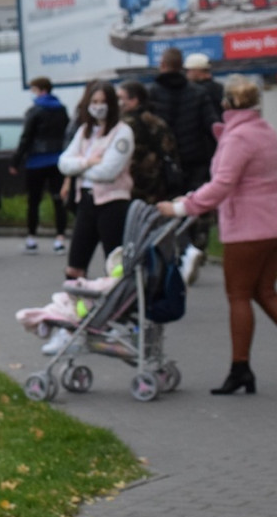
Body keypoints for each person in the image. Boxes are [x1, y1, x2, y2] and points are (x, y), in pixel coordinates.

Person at [157, 76, 277, 396]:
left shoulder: (238, 138)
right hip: (271, 224)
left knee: (238, 295)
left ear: (227, 103)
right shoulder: (266, 131)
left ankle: (240, 367)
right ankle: (241, 369)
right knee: (265, 292)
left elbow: (222, 184)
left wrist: (182, 207)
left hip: (246, 228)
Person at [51, 82, 135, 355]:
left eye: (103, 101)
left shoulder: (122, 133)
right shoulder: (85, 131)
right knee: (74, 269)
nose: (98, 106)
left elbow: (109, 171)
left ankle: (120, 322)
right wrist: (88, 162)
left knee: (116, 269)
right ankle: (70, 326)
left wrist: (79, 167)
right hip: (86, 202)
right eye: (94, 101)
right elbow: (63, 163)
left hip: (113, 204)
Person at [148, 47, 220, 262]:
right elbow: (212, 125)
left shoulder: (153, 93)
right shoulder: (198, 93)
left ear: (163, 65)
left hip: (164, 163)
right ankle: (195, 247)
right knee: (194, 204)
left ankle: (170, 252)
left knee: (166, 207)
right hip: (195, 159)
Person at [9, 76, 69, 255]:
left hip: (36, 161)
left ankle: (32, 239)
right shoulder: (62, 110)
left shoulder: (35, 111)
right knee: (58, 200)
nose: (32, 93)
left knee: (34, 201)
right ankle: (60, 239)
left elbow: (26, 137)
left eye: (34, 90)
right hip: (57, 160)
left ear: (42, 90)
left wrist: (16, 161)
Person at [117, 80, 180, 204]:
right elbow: (170, 150)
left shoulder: (124, 125)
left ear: (134, 100)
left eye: (120, 98)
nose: (118, 102)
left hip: (131, 183)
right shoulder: (155, 121)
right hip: (154, 182)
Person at [183, 52, 224, 118]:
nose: (187, 73)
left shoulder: (194, 91)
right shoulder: (220, 88)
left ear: (197, 70)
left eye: (188, 70)